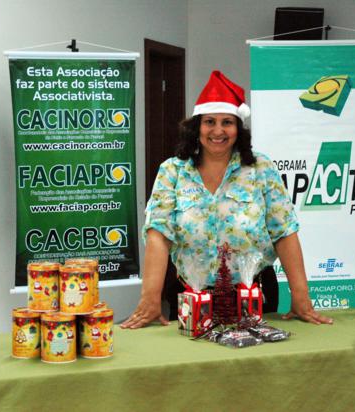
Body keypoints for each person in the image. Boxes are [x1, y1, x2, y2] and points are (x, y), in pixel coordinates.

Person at [121, 70, 333, 329]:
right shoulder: (173, 171)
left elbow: (284, 231)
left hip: (255, 296)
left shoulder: (260, 168)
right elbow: (158, 234)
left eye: (227, 122)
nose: (218, 131)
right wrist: (150, 298)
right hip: (192, 297)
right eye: (209, 121)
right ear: (196, 127)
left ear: (238, 128)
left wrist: (301, 298)